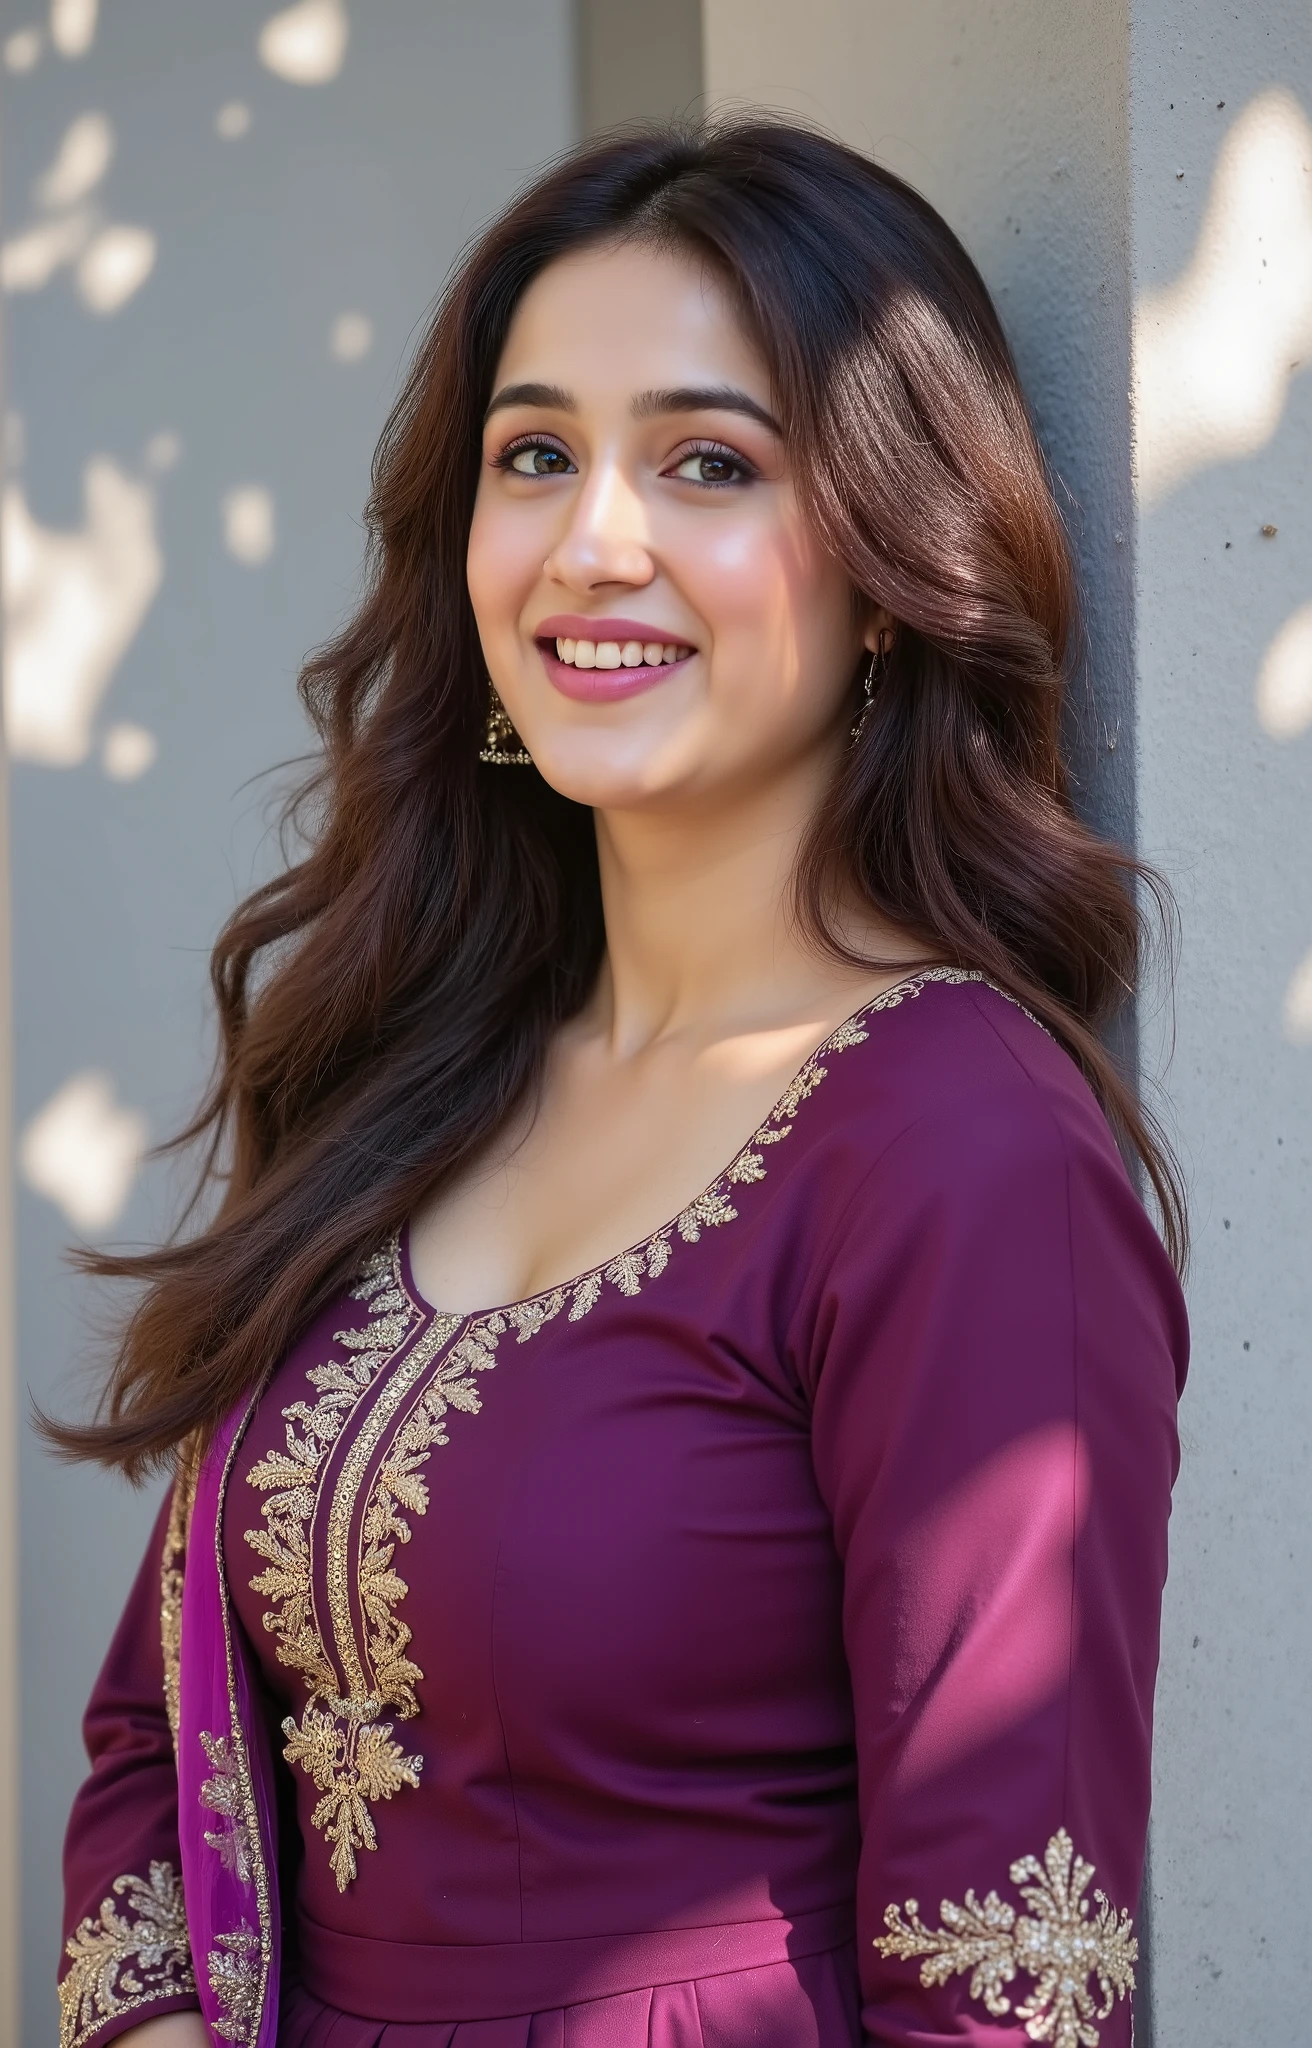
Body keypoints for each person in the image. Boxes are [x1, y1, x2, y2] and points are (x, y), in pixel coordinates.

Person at [52, 120, 1188, 2048]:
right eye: (536, 455)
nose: (594, 540)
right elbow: (162, 1732)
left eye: (709, 463)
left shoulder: (963, 1151)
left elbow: (1017, 1979)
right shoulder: (422, 1064)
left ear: (899, 564)